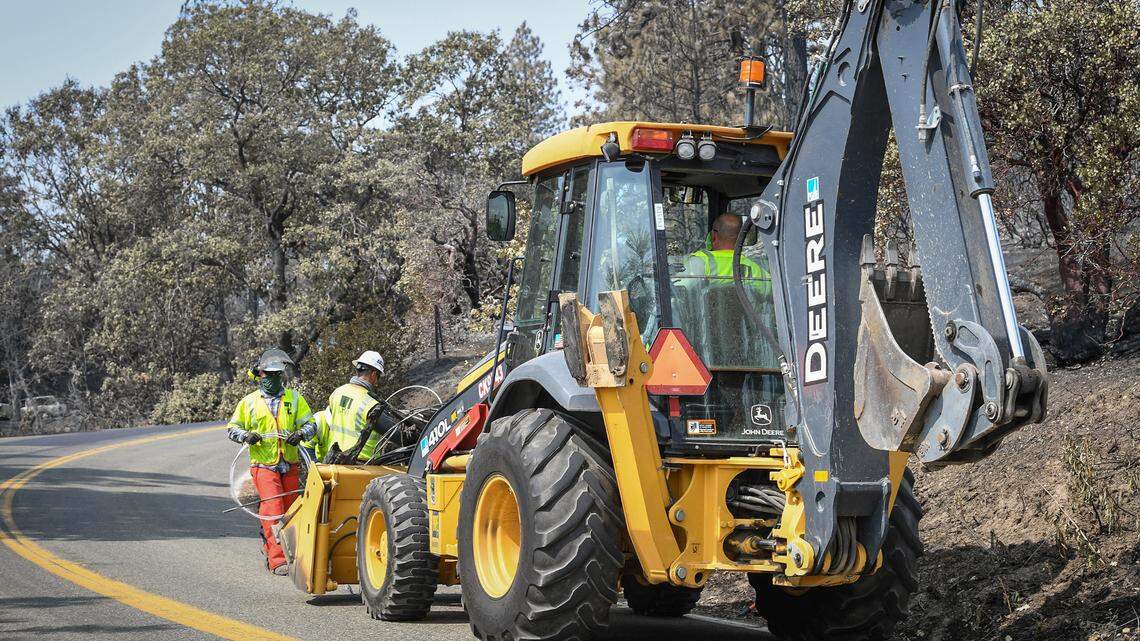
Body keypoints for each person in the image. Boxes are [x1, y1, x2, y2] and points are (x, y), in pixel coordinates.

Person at [226, 348, 316, 576]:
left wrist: (301, 434)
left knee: (292, 512)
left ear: (281, 376)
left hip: (290, 464)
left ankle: (293, 554)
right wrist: (247, 436)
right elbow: (232, 428)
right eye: (267, 375)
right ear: (260, 375)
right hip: (264, 466)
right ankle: (277, 560)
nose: (271, 379)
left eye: (276, 375)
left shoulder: (294, 399)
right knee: (273, 510)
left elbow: (311, 424)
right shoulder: (249, 403)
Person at [316, 350, 391, 464]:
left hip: (334, 460)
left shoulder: (337, 392)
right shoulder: (369, 403)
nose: (377, 382)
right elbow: (393, 432)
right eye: (378, 376)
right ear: (374, 374)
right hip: (361, 464)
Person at [679, 213, 770, 291]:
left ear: (713, 236)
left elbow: (678, 290)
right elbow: (771, 293)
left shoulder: (700, 261)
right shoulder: (753, 268)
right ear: (741, 238)